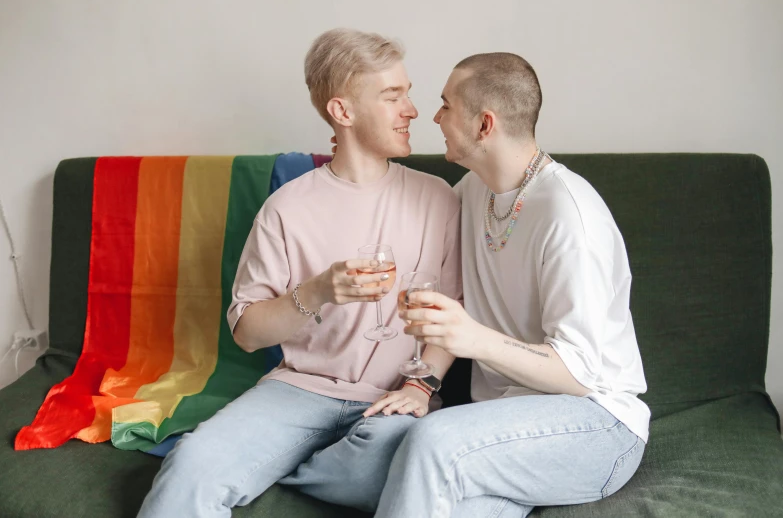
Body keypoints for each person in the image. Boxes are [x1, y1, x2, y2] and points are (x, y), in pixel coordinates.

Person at [137, 28, 461, 517]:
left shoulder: (439, 197)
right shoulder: (286, 208)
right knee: (191, 466)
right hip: (298, 393)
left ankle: (280, 466)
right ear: (343, 112)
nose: (411, 110)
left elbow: (452, 315)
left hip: (394, 400)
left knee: (408, 465)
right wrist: (318, 290)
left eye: (408, 94)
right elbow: (247, 333)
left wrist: (422, 386)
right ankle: (273, 456)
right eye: (393, 96)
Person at [371, 53, 650, 518]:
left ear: (484, 125)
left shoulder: (569, 216)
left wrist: (474, 338)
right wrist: (422, 384)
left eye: (446, 105)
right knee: (392, 458)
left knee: (435, 440)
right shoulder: (473, 191)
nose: (432, 116)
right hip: (503, 422)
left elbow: (581, 374)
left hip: (599, 425)